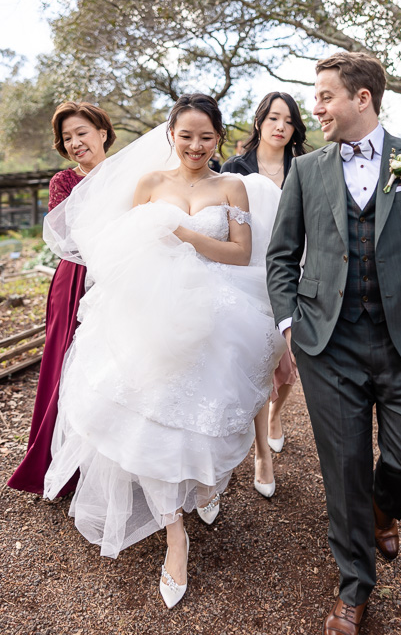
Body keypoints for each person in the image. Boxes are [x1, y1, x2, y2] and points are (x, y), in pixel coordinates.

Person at [42, 94, 285, 609]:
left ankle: (205, 483)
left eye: (206, 136)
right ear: (171, 135)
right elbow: (126, 252)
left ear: (219, 138)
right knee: (149, 415)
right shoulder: (150, 184)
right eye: (186, 135)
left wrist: (178, 231)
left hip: (220, 306)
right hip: (156, 308)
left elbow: (241, 253)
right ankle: (175, 535)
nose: (195, 146)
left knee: (210, 412)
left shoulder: (231, 185)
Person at [266, 53, 401, 635]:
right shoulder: (306, 171)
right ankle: (354, 588)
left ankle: (384, 508)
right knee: (344, 467)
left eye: (325, 96)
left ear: (362, 99)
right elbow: (281, 257)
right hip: (329, 343)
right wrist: (290, 326)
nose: (315, 107)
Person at [7, 101, 116, 496]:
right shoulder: (63, 183)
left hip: (125, 276)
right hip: (77, 280)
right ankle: (63, 463)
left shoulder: (131, 174)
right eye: (67, 137)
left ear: (103, 132)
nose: (75, 143)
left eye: (82, 133)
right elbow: (67, 238)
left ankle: (115, 464)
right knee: (67, 366)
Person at [222, 92, 309, 497]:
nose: (280, 126)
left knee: (292, 361)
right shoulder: (233, 169)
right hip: (248, 276)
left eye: (288, 120)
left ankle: (276, 412)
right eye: (273, 117)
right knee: (258, 365)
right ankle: (261, 454)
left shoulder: (307, 167)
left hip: (298, 275)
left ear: (295, 129)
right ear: (259, 122)